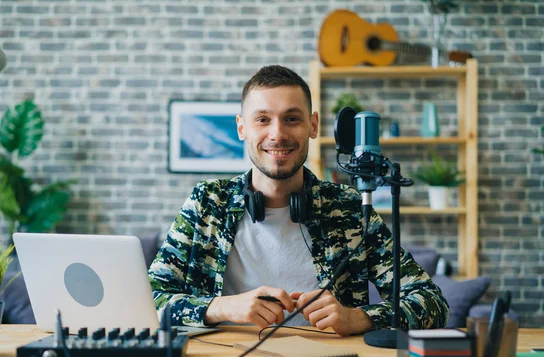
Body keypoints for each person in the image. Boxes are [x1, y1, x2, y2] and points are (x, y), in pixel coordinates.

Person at [148, 65, 449, 336]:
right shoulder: (206, 204)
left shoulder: (349, 208)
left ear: (313, 125)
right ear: (242, 127)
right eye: (262, 119)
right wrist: (223, 307)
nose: (277, 134)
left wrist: (358, 317)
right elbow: (149, 298)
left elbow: (431, 302)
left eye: (291, 119)